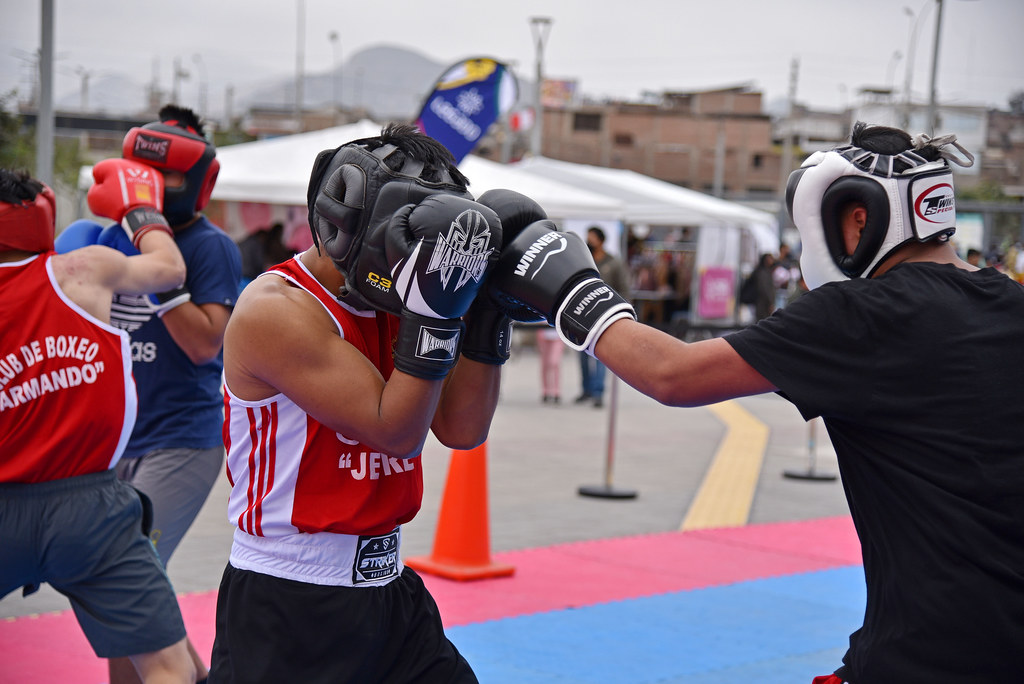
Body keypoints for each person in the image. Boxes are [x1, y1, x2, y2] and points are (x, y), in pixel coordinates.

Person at [485, 122, 1024, 682]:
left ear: (858, 218)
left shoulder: (867, 313)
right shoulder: (1011, 302)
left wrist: (569, 288)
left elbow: (672, 375)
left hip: (928, 654)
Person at [208, 123, 522, 683]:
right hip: (290, 604)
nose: (416, 250)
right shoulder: (277, 309)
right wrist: (437, 312)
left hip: (390, 590)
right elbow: (394, 430)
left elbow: (462, 429)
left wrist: (489, 311)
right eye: (407, 229)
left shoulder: (398, 296)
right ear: (348, 219)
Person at [0, 168, 195, 683]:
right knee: (169, 667)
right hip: (89, 512)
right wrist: (139, 209)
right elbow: (169, 267)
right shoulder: (81, 269)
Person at [90, 105, 242, 684]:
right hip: (115, 437)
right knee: (111, 585)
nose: (157, 185)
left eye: (171, 175)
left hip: (182, 437)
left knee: (130, 573)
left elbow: (207, 345)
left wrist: (162, 274)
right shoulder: (106, 238)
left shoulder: (209, 247)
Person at [574, 225, 630, 408]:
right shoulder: (584, 260)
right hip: (582, 318)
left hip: (604, 318)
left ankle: (598, 393)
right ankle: (586, 390)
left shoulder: (613, 263)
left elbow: (623, 288)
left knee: (601, 357)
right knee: (582, 356)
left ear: (601, 240)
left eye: (592, 238)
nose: (589, 241)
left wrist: (620, 313)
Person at [537, 325, 565, 404]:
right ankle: (545, 391)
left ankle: (556, 391)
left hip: (557, 335)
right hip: (543, 333)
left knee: (554, 362)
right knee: (545, 363)